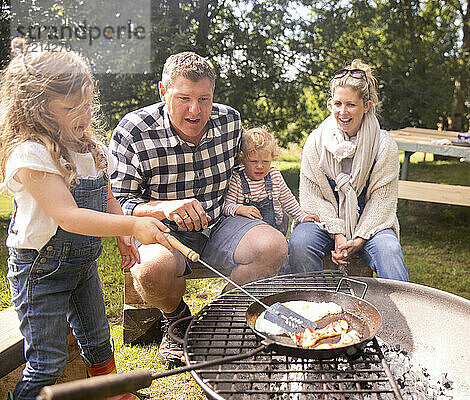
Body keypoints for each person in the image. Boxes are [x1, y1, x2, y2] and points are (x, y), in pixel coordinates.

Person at [0, 39, 172, 400]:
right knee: (47, 361)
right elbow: (69, 216)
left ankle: (111, 393)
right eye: (70, 107)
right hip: (40, 273)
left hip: (82, 266)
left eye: (87, 104)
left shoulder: (87, 145)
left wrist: (123, 233)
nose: (83, 114)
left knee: (98, 339)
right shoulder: (31, 153)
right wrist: (132, 226)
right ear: (38, 110)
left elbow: (105, 193)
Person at [109, 52, 287, 368]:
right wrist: (164, 208)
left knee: (274, 246)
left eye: (204, 99)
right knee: (151, 270)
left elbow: (241, 173)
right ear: (163, 92)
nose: (195, 110)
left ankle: (218, 321)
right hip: (164, 233)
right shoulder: (133, 130)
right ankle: (177, 319)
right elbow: (119, 206)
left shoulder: (231, 121)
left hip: (220, 222)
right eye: (183, 99)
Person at [284, 60, 409, 281]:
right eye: (337, 103)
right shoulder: (316, 142)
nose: (343, 112)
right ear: (330, 103)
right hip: (325, 223)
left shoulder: (384, 145)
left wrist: (359, 238)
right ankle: (312, 304)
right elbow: (311, 198)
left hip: (371, 226)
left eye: (351, 105)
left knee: (389, 249)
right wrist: (338, 233)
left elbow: (382, 202)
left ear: (366, 106)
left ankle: (403, 312)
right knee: (300, 241)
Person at [223, 127, 319, 234]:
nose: (260, 166)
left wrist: (302, 216)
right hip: (247, 234)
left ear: (272, 158)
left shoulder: (274, 176)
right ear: (243, 159)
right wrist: (239, 209)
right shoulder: (238, 180)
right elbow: (226, 206)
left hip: (274, 230)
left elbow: (288, 199)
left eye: (265, 161)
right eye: (253, 161)